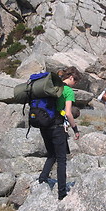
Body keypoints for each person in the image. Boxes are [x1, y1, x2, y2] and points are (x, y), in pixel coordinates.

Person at [38, 66, 81, 201]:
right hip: (57, 126)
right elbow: (68, 113)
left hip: (44, 125)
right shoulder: (68, 91)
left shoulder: (51, 86)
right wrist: (75, 129)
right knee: (61, 159)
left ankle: (42, 180)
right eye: (76, 81)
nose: (75, 84)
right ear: (71, 78)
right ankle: (62, 194)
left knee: (51, 154)